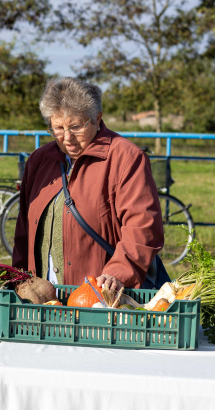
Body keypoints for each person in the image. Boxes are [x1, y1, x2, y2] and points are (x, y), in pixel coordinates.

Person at [12, 77, 165, 292]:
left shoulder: (126, 158)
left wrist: (119, 273)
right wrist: (19, 279)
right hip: (43, 298)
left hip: (100, 298)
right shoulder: (39, 160)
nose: (67, 138)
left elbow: (142, 226)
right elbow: (24, 230)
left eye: (75, 127)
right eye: (57, 128)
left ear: (97, 118)